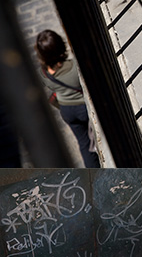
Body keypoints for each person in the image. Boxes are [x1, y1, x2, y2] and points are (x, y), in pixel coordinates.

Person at [35, 29, 100, 168]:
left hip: (66, 111)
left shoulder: (42, 74)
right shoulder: (75, 66)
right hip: (84, 108)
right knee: (99, 138)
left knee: (84, 145)